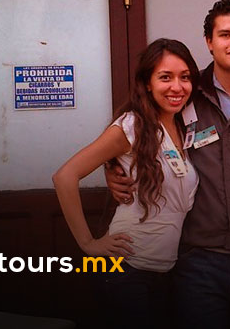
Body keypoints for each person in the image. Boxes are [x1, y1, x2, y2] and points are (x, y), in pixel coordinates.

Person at [106, 0, 230, 329]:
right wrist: (112, 168)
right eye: (225, 34)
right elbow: (130, 134)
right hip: (197, 260)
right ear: (209, 42)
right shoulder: (181, 96)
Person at [53, 38, 200, 328]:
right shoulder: (132, 125)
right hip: (124, 270)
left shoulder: (184, 124)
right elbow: (65, 176)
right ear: (147, 83)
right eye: (165, 77)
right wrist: (88, 244)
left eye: (185, 77)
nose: (177, 87)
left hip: (164, 273)